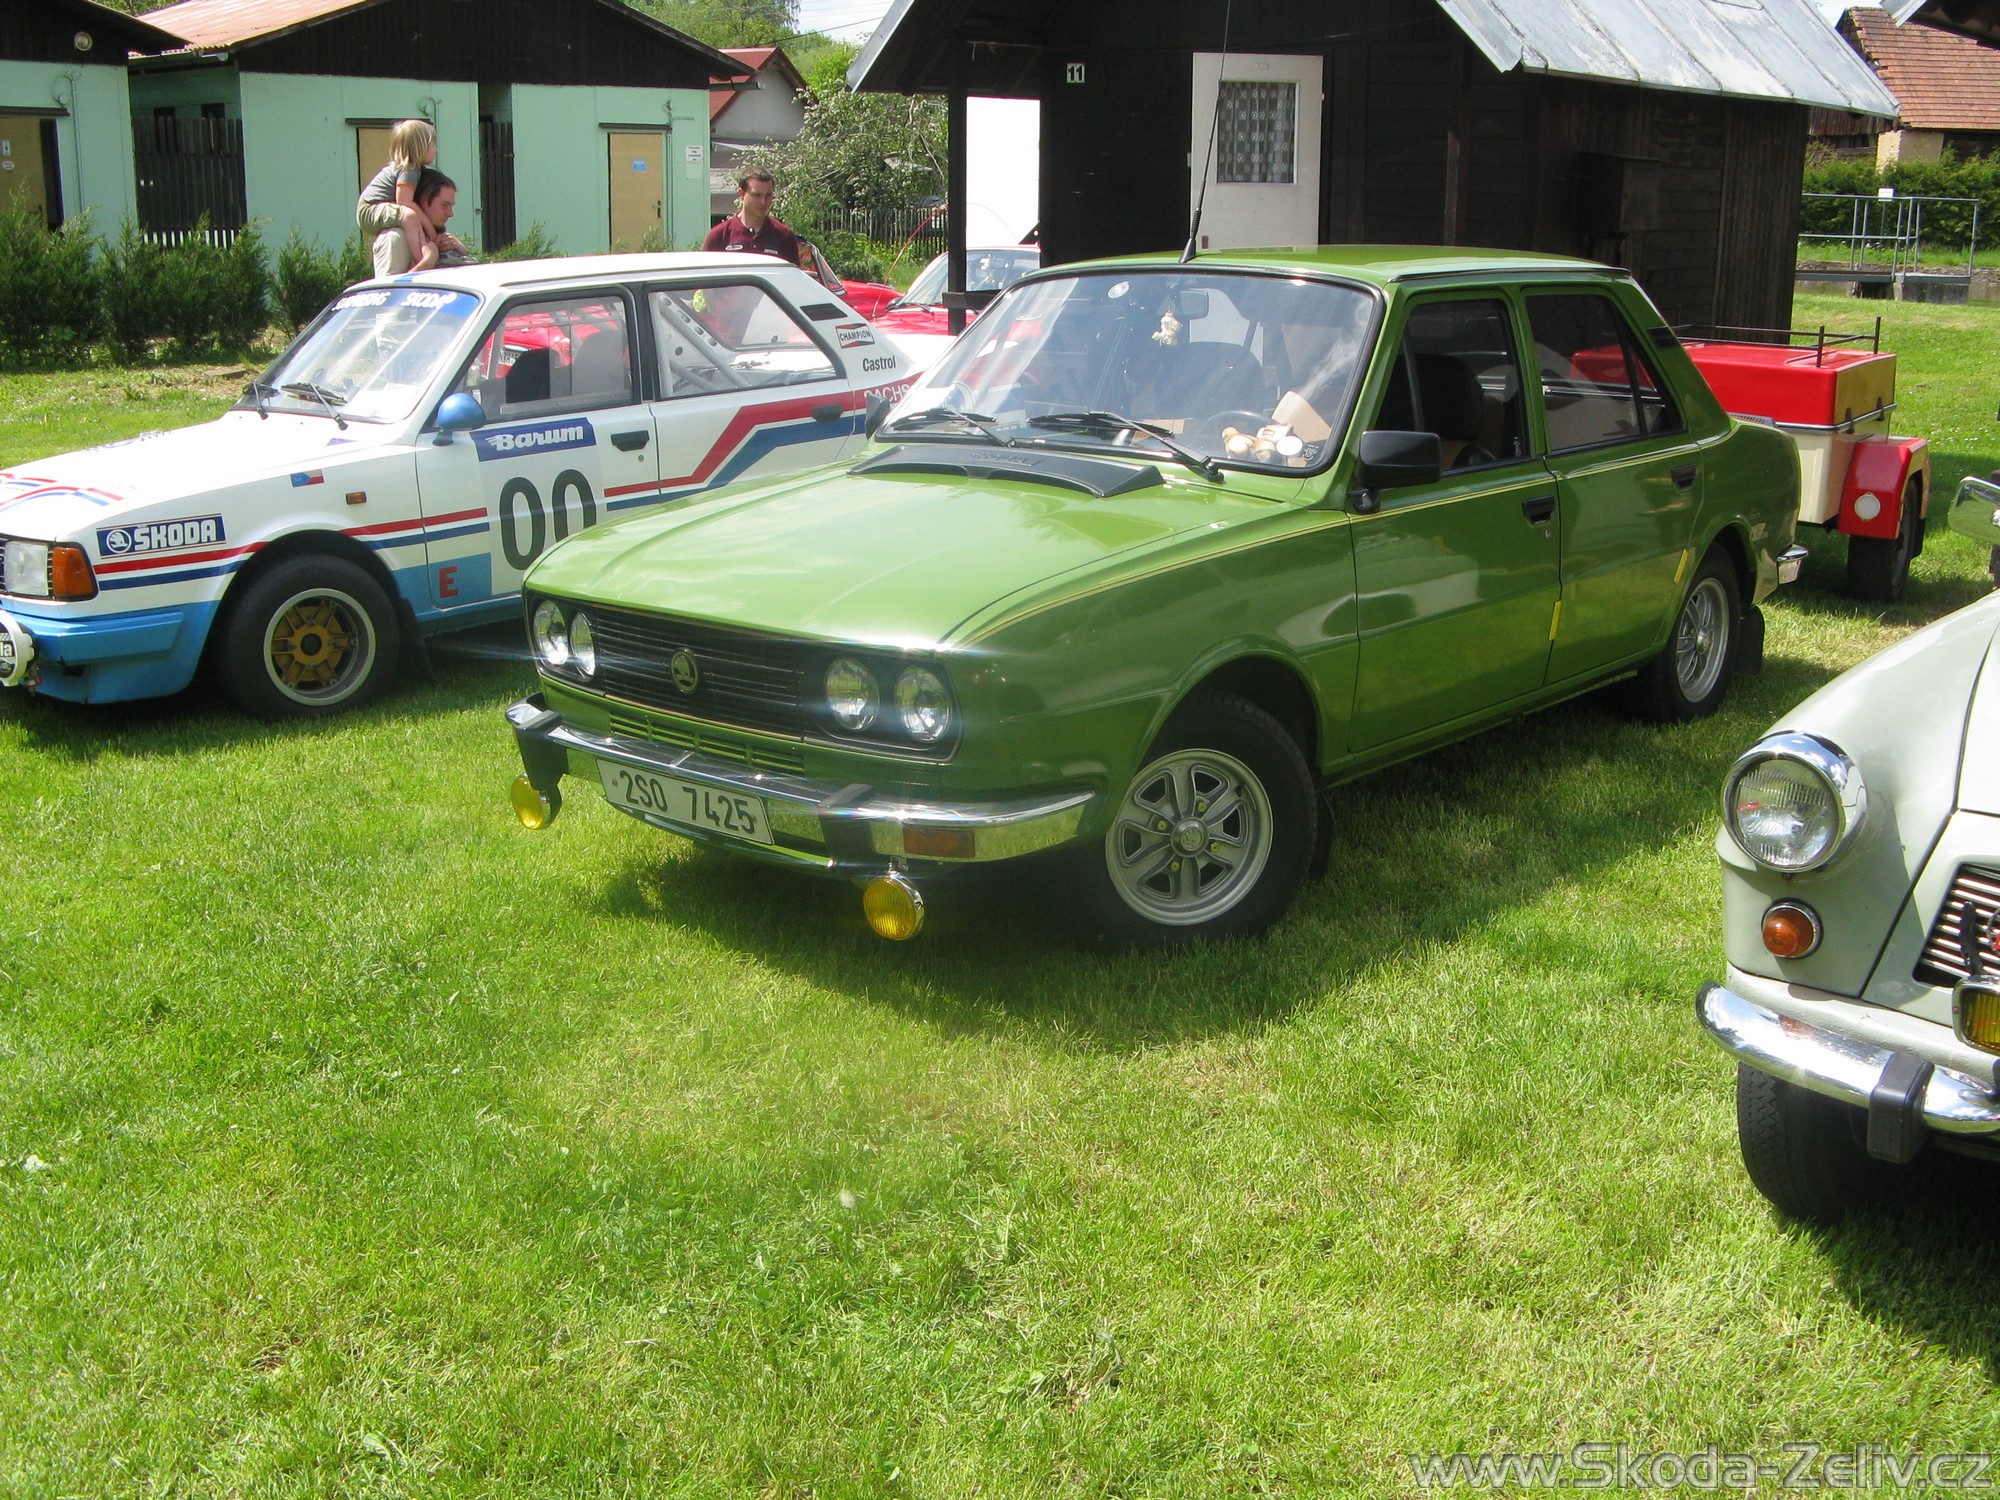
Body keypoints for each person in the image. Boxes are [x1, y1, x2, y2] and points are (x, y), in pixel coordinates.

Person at [356, 118, 438, 272]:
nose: (436, 149)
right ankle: (421, 259)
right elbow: (404, 201)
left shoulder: (413, 169)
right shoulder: (409, 169)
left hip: (375, 208)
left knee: (409, 216)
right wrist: (428, 226)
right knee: (409, 216)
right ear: (419, 148)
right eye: (432, 145)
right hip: (370, 209)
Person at [371, 169, 474, 277]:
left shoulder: (433, 237)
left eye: (451, 206)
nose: (450, 213)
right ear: (424, 201)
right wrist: (428, 262)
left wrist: (462, 251)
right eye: (444, 205)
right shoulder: (394, 238)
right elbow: (390, 287)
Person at [701, 169, 802, 266]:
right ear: (741, 194)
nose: (763, 202)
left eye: (768, 195)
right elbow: (706, 275)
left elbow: (793, 276)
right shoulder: (719, 236)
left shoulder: (784, 236)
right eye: (757, 195)